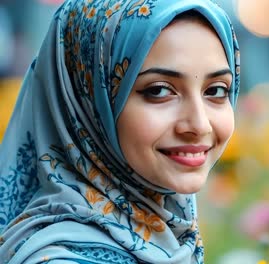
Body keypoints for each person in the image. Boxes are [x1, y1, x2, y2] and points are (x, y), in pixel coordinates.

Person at [0, 0, 240, 263]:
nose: (199, 125)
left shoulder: (168, 237)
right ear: (87, 100)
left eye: (216, 90)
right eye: (158, 90)